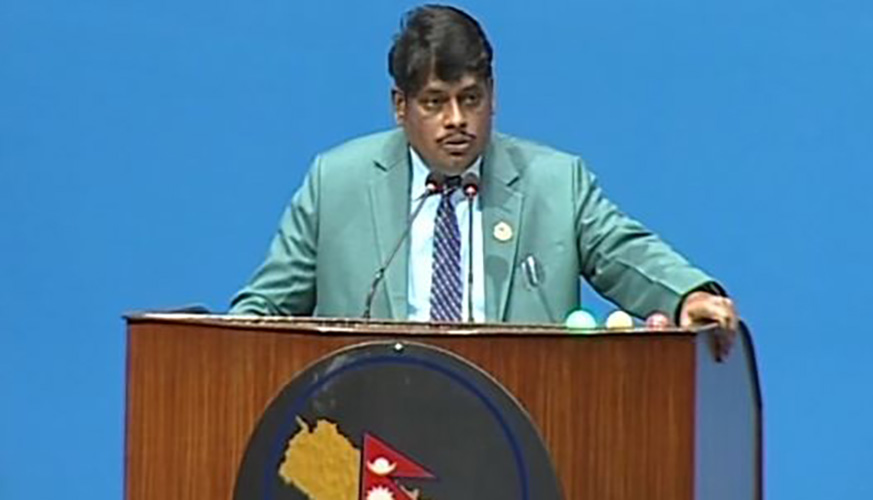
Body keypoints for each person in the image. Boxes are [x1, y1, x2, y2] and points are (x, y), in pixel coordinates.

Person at [230, 5, 738, 348]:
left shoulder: (555, 183)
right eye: (435, 103)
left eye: (470, 99)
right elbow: (265, 307)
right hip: (372, 423)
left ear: (492, 96)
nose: (456, 120)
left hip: (516, 425)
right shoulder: (336, 183)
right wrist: (222, 348)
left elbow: (624, 253)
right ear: (400, 106)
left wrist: (686, 296)